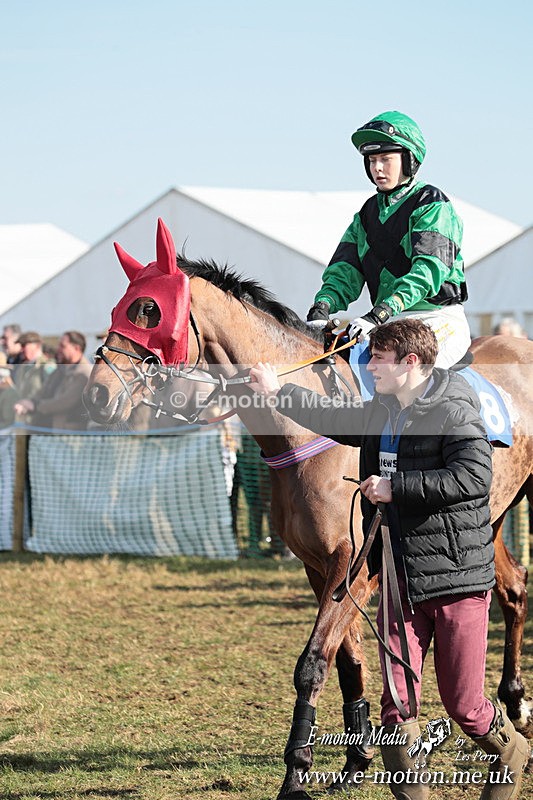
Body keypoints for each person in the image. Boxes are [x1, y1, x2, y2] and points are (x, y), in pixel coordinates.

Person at [248, 318, 529, 800]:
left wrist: (393, 489)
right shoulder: (383, 408)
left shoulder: (456, 407)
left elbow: (472, 480)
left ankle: (512, 752)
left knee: (466, 707)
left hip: (456, 580)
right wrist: (278, 392)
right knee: (397, 708)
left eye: (377, 358)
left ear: (410, 362)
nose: (369, 365)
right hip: (400, 578)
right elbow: (335, 418)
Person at [306, 111, 470, 368]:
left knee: (409, 380)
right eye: (371, 160)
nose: (377, 168)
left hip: (436, 319)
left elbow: (428, 270)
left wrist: (382, 311)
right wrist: (323, 305)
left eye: (385, 159)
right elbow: (345, 269)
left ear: (409, 160)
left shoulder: (432, 204)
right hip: (387, 322)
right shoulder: (367, 214)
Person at [13, 331, 91, 430]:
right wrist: (29, 402)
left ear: (76, 348)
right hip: (47, 428)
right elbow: (43, 391)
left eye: (63, 346)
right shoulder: (59, 370)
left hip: (68, 435)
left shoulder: (84, 373)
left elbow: (65, 402)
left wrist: (35, 406)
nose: (58, 349)